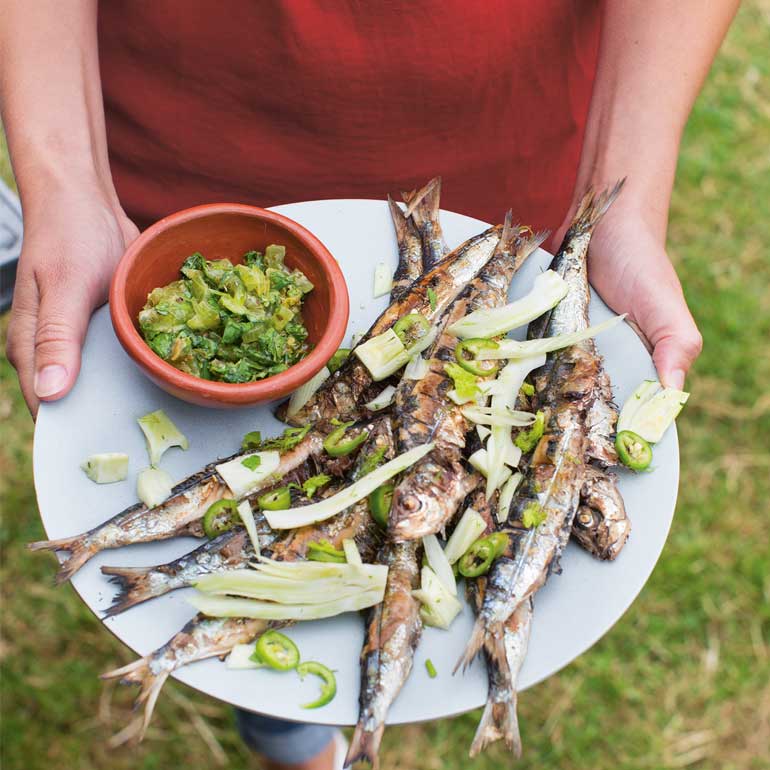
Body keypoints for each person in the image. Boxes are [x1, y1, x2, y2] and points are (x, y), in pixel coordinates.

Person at [1, 2, 737, 769]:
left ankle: (294, 717)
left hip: (504, 149)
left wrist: (625, 201)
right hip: (179, 141)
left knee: (294, 621)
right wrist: (65, 182)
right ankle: (283, 722)